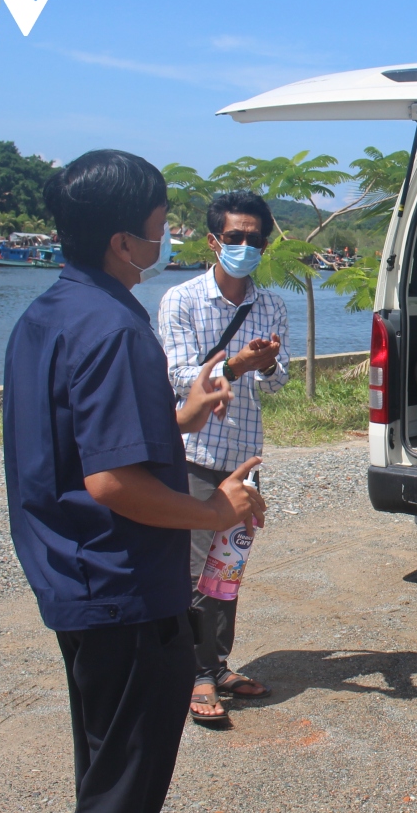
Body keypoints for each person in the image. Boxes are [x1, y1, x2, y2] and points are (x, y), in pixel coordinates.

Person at [3, 150, 266, 813]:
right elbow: (112, 482)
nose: (166, 237)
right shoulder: (116, 329)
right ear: (124, 242)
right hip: (126, 594)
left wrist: (184, 417)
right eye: (160, 224)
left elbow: (82, 443)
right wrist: (216, 511)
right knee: (124, 788)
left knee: (105, 768)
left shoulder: (47, 316)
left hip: (73, 578)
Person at [157, 190, 289, 725]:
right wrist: (234, 366)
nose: (245, 246)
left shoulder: (271, 305)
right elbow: (179, 376)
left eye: (255, 239)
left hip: (243, 459)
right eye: (235, 237)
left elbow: (276, 383)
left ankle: (217, 663)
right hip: (193, 453)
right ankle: (195, 675)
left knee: (225, 570)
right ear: (214, 241)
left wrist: (267, 364)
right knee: (191, 571)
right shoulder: (181, 300)